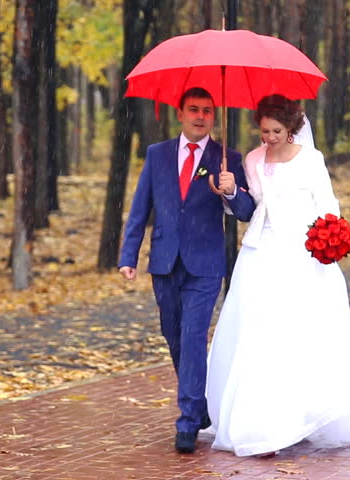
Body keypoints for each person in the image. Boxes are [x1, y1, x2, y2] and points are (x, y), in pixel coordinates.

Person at [205, 94, 350, 457]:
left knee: (299, 336)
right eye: (264, 130)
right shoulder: (252, 160)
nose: (268, 137)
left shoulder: (310, 161)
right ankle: (260, 425)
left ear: (292, 129)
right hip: (260, 256)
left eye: (276, 131)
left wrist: (328, 238)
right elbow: (250, 209)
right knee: (257, 335)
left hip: (302, 256)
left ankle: (301, 414)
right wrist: (231, 190)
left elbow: (328, 205)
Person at [118, 87, 256, 454]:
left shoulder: (227, 157)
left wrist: (230, 191)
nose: (200, 116)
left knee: (194, 335)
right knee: (173, 335)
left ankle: (188, 421)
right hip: (164, 260)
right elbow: (139, 207)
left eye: (207, 111)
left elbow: (246, 211)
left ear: (214, 116)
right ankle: (199, 405)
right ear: (180, 113)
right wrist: (128, 255)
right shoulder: (157, 154)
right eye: (193, 110)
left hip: (205, 264)